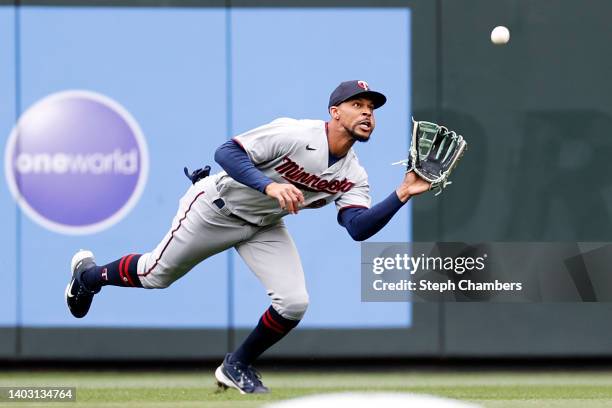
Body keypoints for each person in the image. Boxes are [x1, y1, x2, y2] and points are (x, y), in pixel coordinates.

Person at [65, 80, 431, 394]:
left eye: (372, 108)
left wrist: (401, 194)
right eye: (358, 105)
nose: (368, 113)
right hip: (215, 208)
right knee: (153, 275)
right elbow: (226, 152)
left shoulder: (354, 173)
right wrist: (270, 186)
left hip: (263, 226)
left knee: (293, 303)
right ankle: (87, 277)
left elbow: (357, 227)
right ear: (335, 112)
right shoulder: (297, 133)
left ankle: (236, 365)